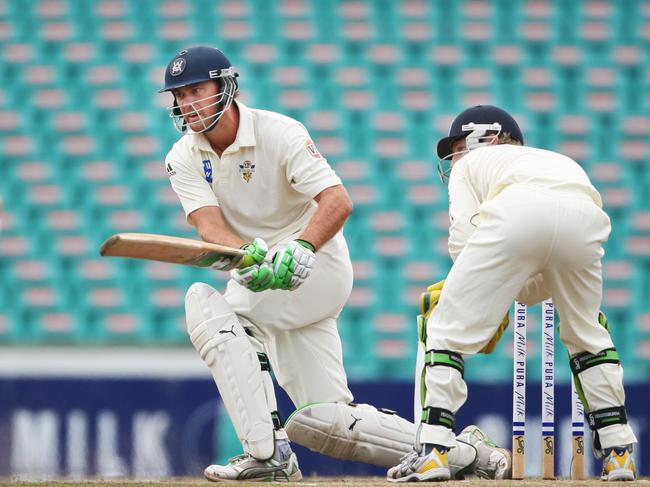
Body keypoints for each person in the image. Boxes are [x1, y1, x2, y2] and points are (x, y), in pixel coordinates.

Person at [160, 46, 511, 482]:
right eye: (179, 94)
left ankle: (267, 456)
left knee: (207, 307)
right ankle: (467, 455)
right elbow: (209, 228)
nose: (188, 102)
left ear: (226, 87)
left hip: (316, 266)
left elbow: (337, 200)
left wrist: (301, 247)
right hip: (256, 275)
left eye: (197, 89)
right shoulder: (182, 156)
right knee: (327, 422)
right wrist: (248, 255)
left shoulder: (280, 132)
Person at [388, 105, 638, 482]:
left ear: (484, 137)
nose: (454, 158)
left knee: (443, 325)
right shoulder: (554, 160)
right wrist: (505, 296)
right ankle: (619, 455)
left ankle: (434, 450)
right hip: (585, 218)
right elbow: (540, 273)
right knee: (587, 333)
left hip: (518, 212)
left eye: (458, 147)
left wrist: (478, 302)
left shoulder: (473, 165)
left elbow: (463, 241)